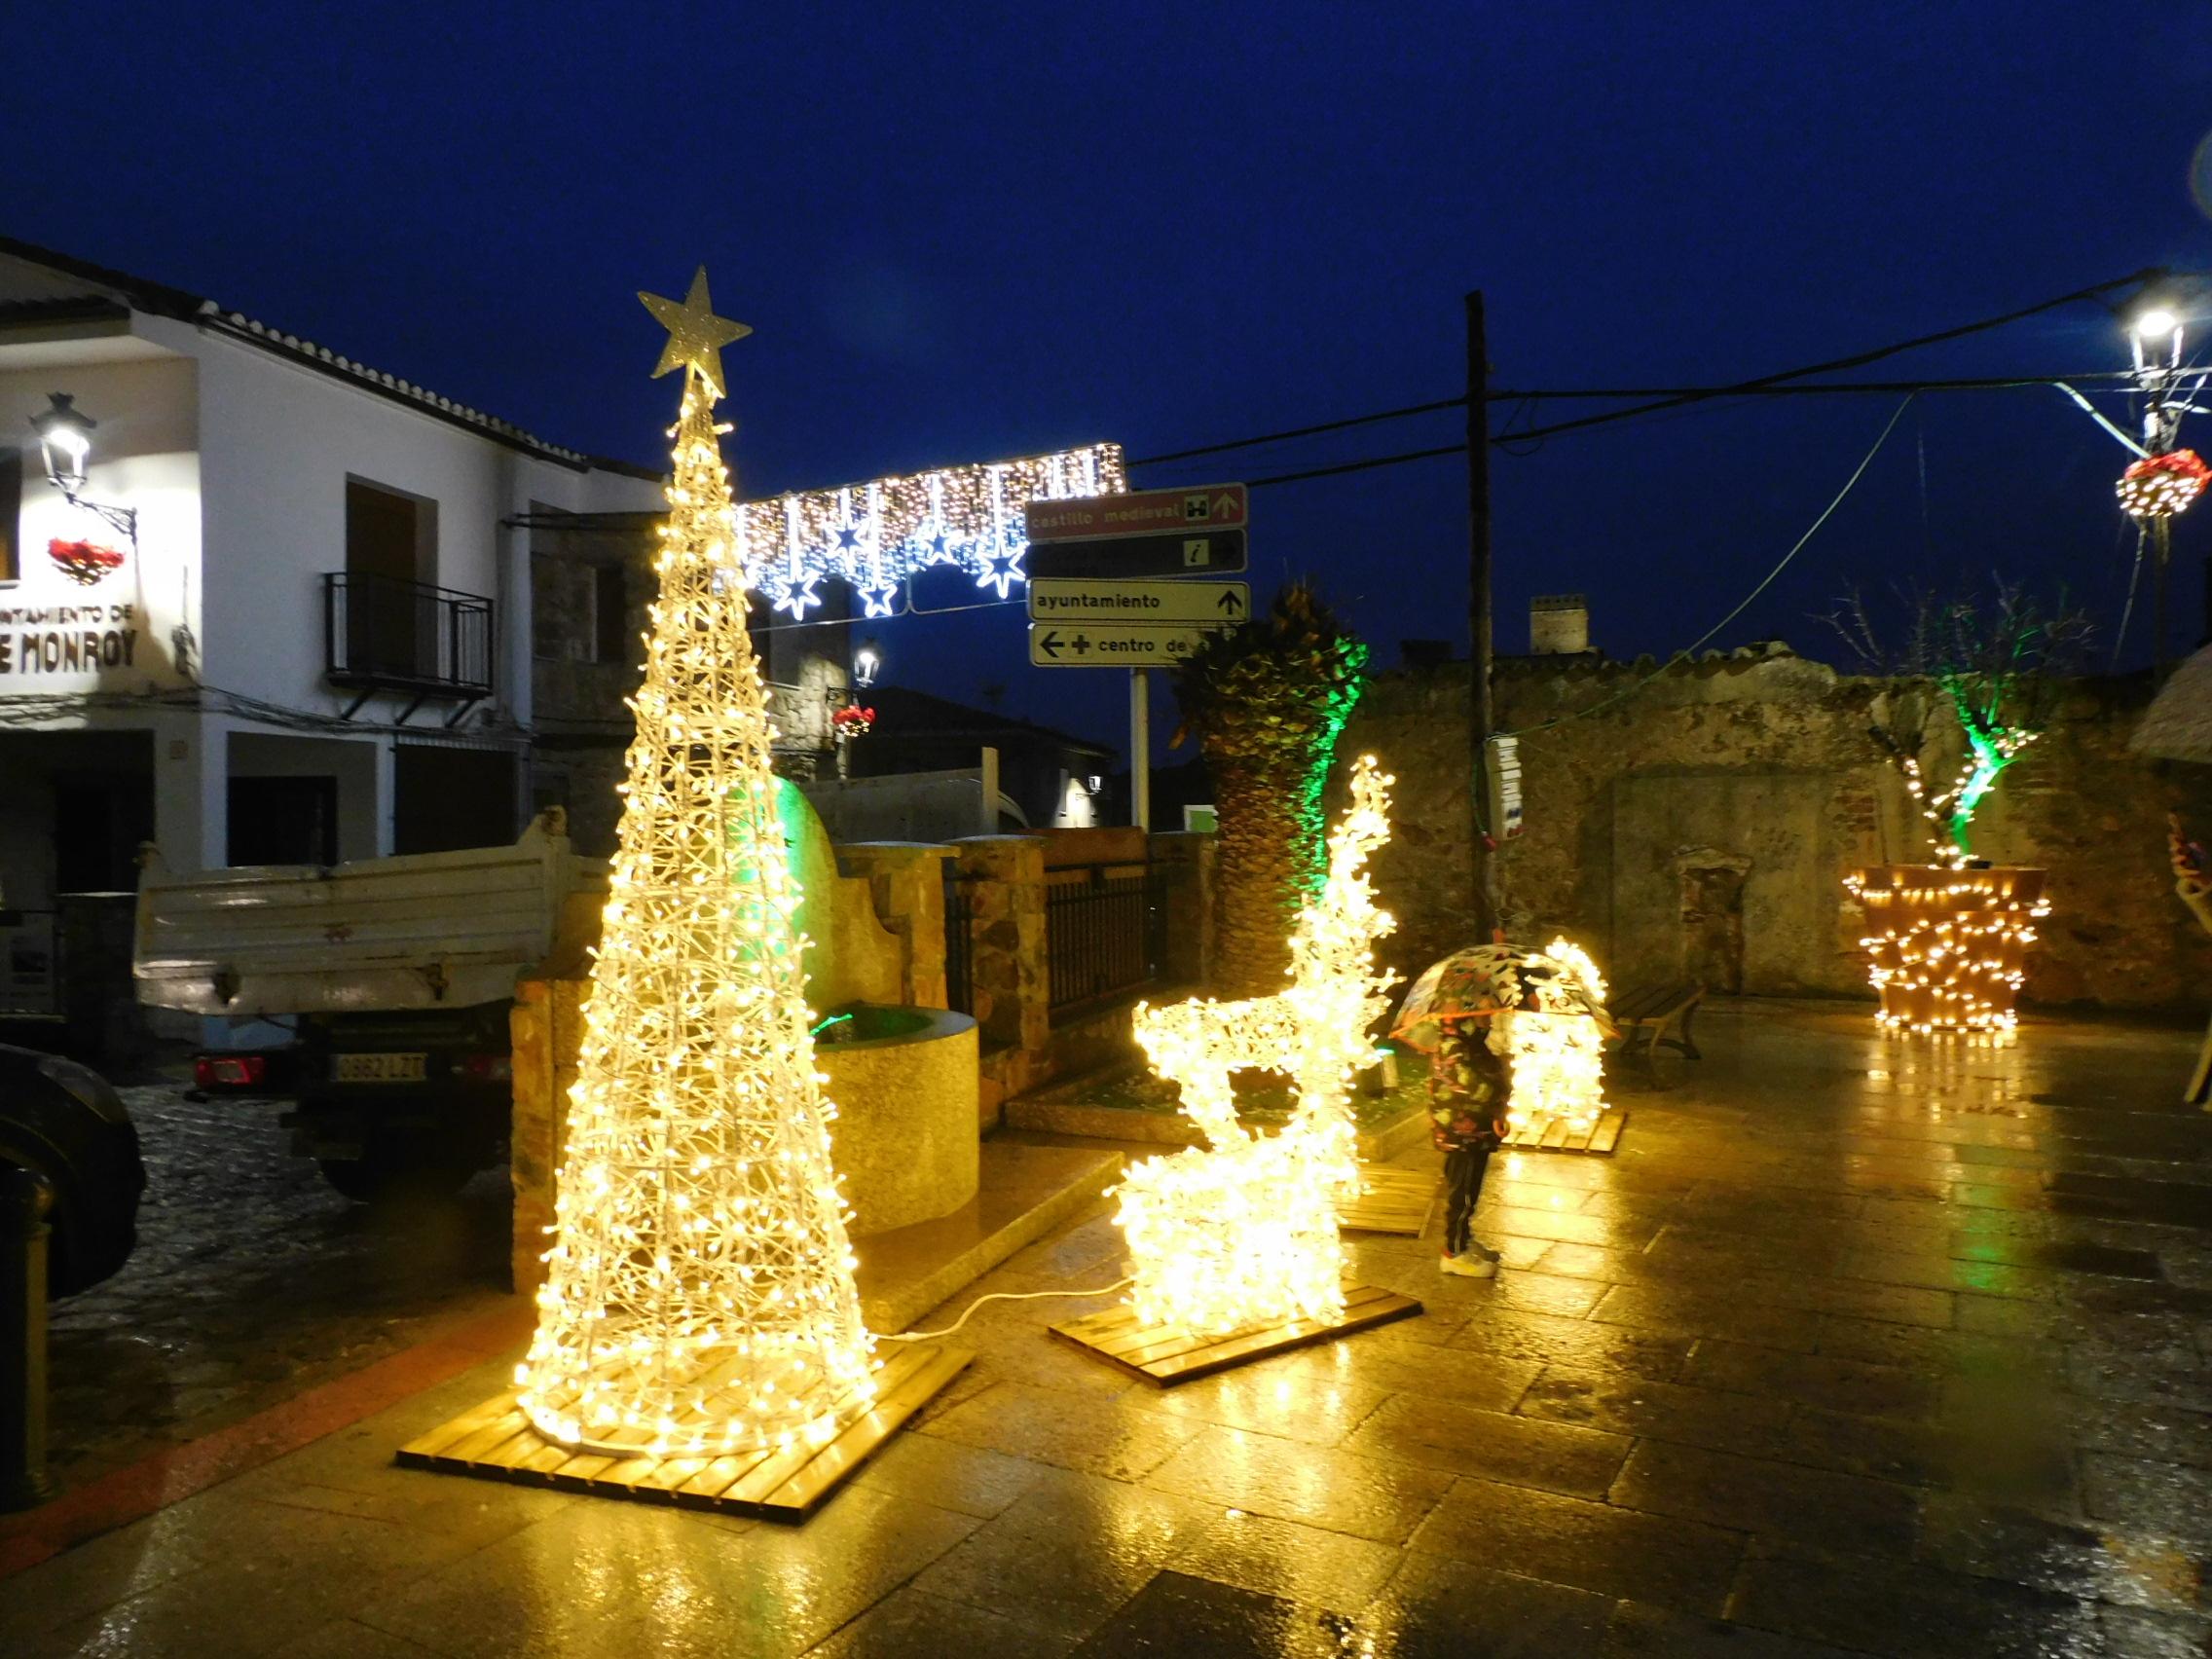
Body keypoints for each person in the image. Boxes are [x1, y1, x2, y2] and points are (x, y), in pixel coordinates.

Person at [1429, 1017, 1510, 1277]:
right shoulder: (1453, 1047)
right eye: (1483, 1010)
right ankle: (1454, 1253)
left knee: (1470, 1192)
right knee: (1462, 1195)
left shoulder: (1472, 1044)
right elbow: (1474, 1087)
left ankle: (1463, 1240)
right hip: (1462, 1134)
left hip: (1476, 1131)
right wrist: (1500, 1096)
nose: (1490, 1016)